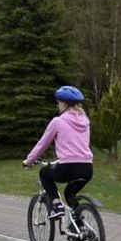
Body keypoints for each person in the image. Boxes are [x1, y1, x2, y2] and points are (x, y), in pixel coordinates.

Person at [23, 85, 94, 231]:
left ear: (64, 103)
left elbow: (42, 144)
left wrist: (29, 161)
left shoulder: (58, 121)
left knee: (44, 173)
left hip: (68, 167)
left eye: (58, 102)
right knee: (70, 194)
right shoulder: (85, 121)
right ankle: (79, 228)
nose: (58, 105)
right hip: (87, 168)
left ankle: (56, 205)